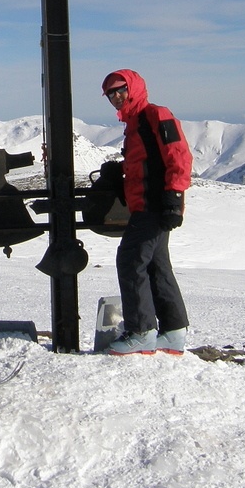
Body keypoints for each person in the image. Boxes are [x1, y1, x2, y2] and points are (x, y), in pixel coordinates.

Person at [100, 69, 192, 356]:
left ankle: (141, 333)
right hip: (147, 204)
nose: (116, 97)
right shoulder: (135, 123)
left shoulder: (155, 114)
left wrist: (174, 197)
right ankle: (173, 333)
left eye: (120, 89)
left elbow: (179, 153)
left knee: (130, 261)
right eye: (110, 93)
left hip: (155, 204)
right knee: (156, 264)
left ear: (134, 87)